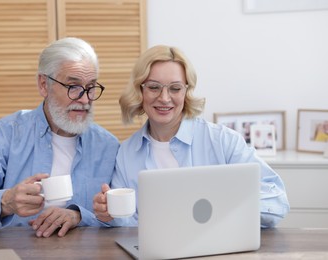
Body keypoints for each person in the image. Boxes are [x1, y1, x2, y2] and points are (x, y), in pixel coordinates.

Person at [93, 45, 290, 228]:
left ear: (186, 92)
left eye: (175, 88)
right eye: (153, 87)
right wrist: (109, 216)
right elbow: (128, 224)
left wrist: (219, 207)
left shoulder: (222, 141)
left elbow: (277, 201)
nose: (164, 97)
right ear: (140, 91)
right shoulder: (126, 153)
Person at [0, 37, 119, 237]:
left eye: (91, 87)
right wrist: (6, 201)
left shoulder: (107, 145)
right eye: (73, 87)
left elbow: (124, 219)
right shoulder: (8, 132)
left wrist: (79, 216)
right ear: (44, 85)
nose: (85, 99)